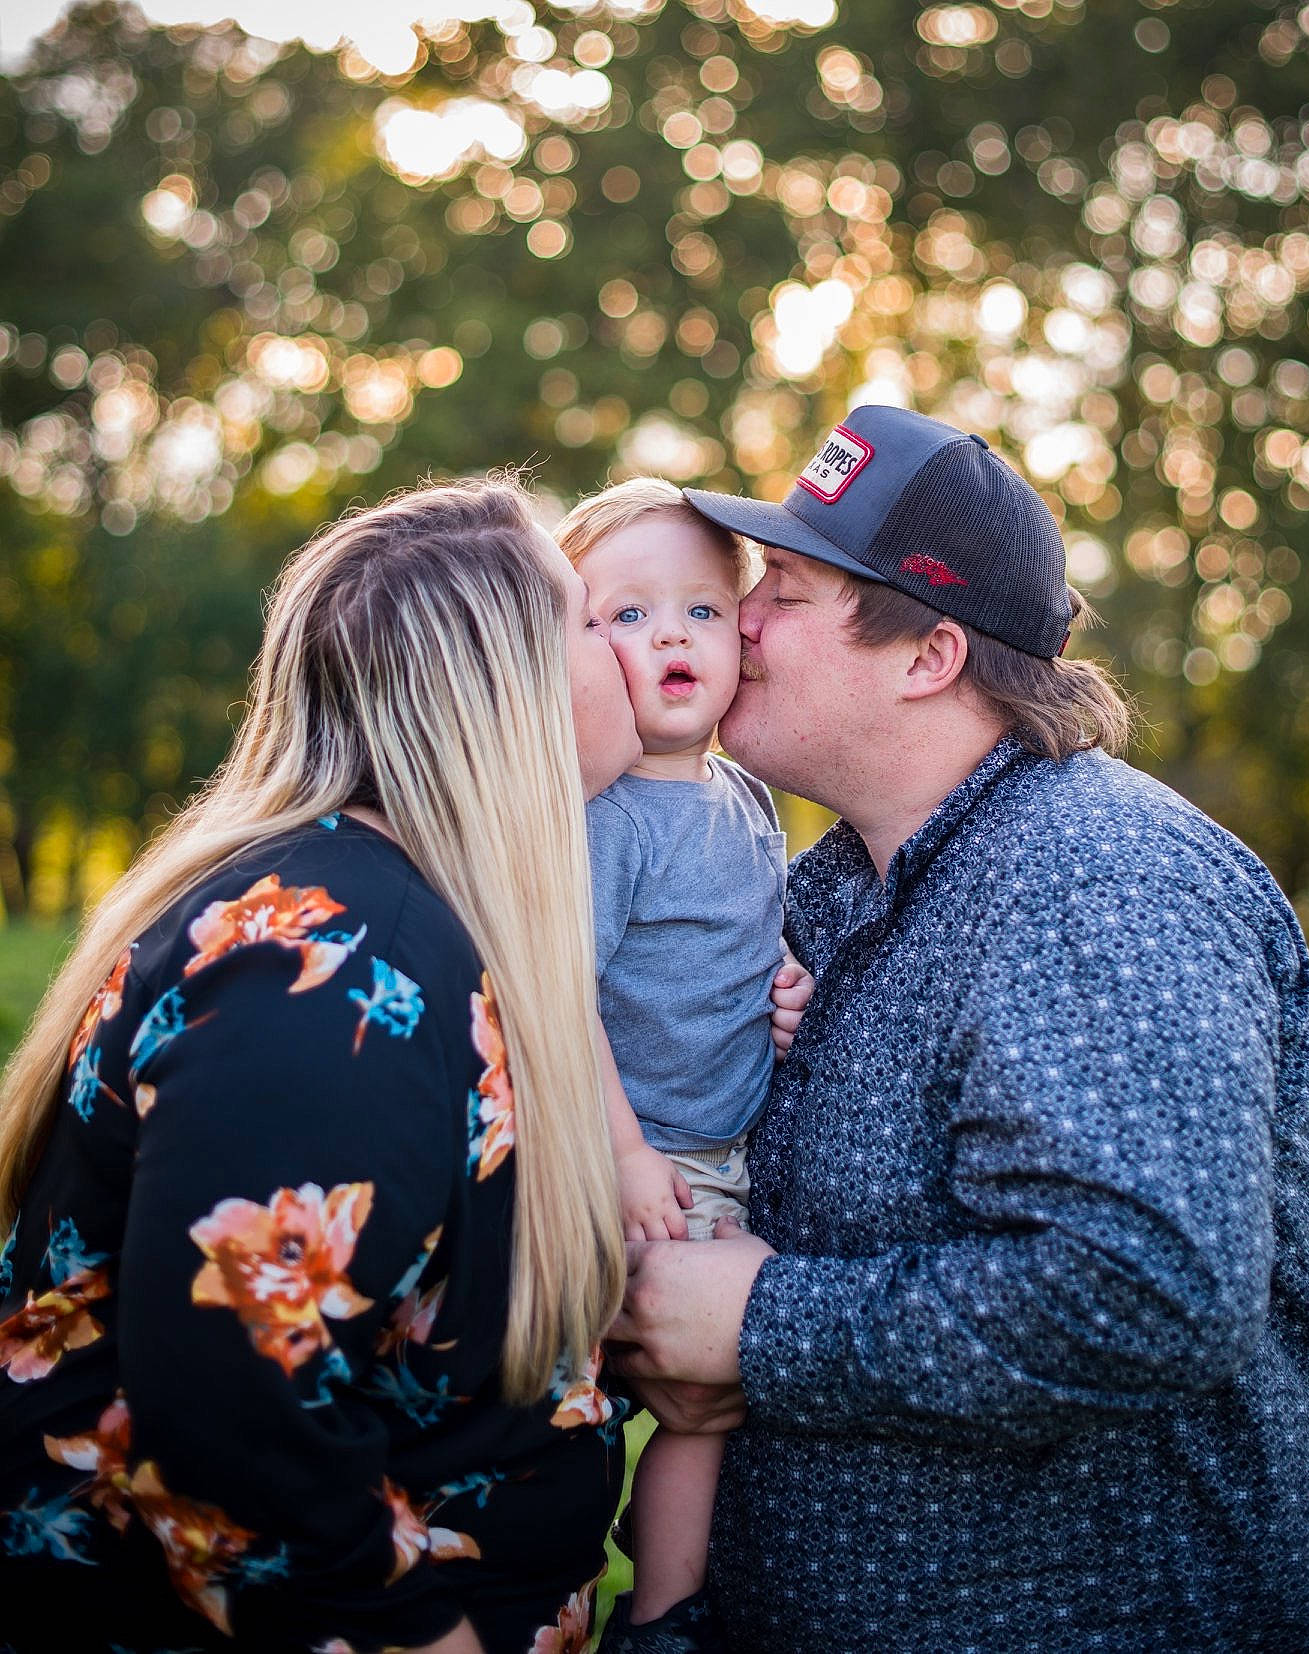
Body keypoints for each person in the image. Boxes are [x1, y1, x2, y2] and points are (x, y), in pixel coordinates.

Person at [609, 406, 1309, 1650]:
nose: (737, 617)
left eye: (787, 591)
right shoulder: (828, 884)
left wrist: (757, 1325)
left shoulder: (1101, 879)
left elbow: (1149, 1289)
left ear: (929, 656)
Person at [0, 478, 644, 1653]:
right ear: (503, 682)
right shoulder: (333, 963)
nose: (628, 645)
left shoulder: (396, 920)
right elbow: (233, 1410)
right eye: (590, 616)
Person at [554, 479, 812, 1649]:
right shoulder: (603, 819)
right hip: (629, 1156)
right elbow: (560, 992)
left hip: (721, 1149)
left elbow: (745, 934)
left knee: (699, 1414)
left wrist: (786, 983)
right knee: (585, 1403)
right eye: (628, 614)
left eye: (703, 612)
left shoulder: (749, 796)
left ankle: (659, 1615)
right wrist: (619, 1155)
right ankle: (576, 1591)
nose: (670, 635)